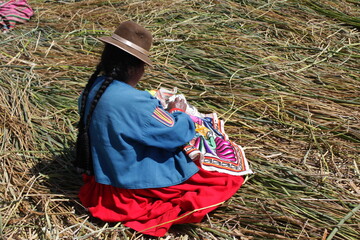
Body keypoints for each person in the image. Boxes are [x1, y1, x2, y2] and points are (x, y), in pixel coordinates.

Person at [76, 21, 244, 237]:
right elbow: (175, 134)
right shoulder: (135, 102)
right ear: (133, 67)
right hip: (130, 183)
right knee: (223, 179)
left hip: (105, 174)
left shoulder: (93, 88)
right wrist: (178, 113)